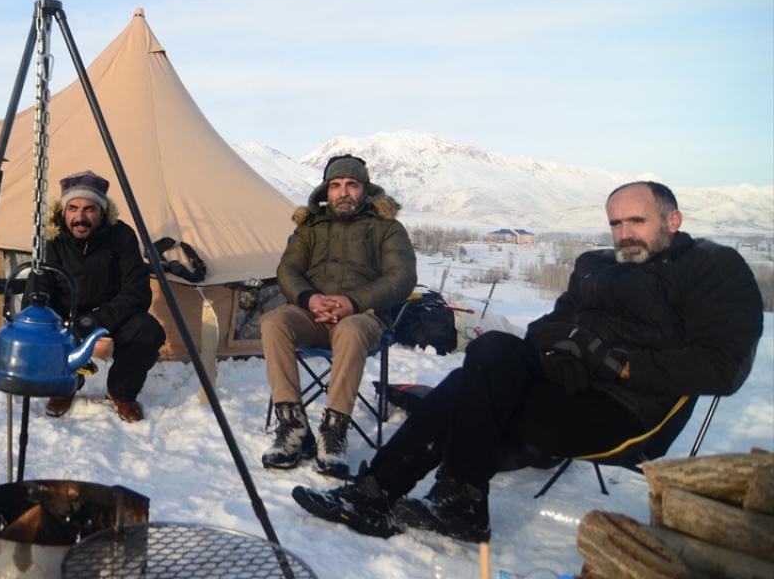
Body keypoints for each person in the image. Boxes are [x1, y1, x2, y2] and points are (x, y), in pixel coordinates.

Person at [292, 181, 764, 542]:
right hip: (566, 386)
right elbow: (546, 328)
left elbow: (721, 367)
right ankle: (444, 498)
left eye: (636, 222)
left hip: (626, 411)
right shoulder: (598, 266)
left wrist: (610, 362)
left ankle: (395, 494)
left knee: (467, 389)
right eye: (616, 224)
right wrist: (567, 347)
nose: (625, 234)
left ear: (673, 220)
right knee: (492, 349)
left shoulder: (712, 269)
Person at [261, 155, 417, 478]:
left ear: (365, 190)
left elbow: (402, 276)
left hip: (362, 316)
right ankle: (292, 426)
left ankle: (333, 431)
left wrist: (354, 302)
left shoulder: (386, 227)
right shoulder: (310, 228)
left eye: (351, 184)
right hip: (312, 315)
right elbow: (287, 270)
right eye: (335, 185)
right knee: (274, 322)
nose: (343, 192)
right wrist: (308, 298)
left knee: (351, 330)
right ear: (326, 191)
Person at [29, 170, 166, 423]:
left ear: (103, 212)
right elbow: (37, 291)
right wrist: (57, 323)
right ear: (63, 211)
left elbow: (137, 292)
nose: (80, 217)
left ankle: (121, 393)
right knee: (39, 327)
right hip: (66, 317)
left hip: (111, 315)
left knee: (148, 331)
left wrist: (96, 320)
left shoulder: (122, 236)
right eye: (73, 208)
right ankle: (65, 385)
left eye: (89, 209)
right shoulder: (50, 239)